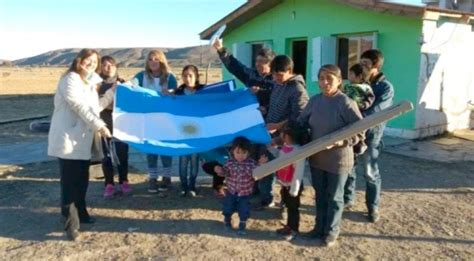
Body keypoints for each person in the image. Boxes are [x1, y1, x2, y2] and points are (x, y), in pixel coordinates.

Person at [48, 48, 115, 241]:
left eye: (95, 62)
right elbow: (79, 107)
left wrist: (111, 93)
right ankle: (70, 225)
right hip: (68, 139)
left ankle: (82, 214)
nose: (91, 64)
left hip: (83, 141)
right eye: (88, 60)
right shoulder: (70, 80)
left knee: (82, 180)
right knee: (70, 183)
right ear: (79, 61)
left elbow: (95, 108)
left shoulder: (89, 84)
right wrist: (101, 126)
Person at [297, 64, 363, 247]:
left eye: (330, 79)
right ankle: (319, 229)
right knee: (320, 195)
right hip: (317, 158)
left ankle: (331, 232)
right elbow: (301, 122)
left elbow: (360, 132)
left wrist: (342, 142)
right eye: (321, 78)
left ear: (339, 81)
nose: (325, 82)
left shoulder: (346, 103)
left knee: (334, 197)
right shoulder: (315, 101)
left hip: (339, 160)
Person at [213, 39, 277, 209]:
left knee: (266, 161)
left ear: (271, 64)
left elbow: (280, 102)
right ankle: (253, 192)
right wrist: (221, 50)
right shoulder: (252, 77)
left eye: (263, 63)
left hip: (269, 129)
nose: (258, 65)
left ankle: (267, 197)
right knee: (252, 159)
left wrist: (266, 107)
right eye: (257, 61)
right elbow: (236, 67)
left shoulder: (277, 81)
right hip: (251, 128)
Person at [130, 50, 178, 194]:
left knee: (165, 148)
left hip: (165, 120)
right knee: (150, 148)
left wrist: (170, 92)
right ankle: (152, 177)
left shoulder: (170, 77)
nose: (153, 61)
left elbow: (176, 92)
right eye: (150, 59)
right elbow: (132, 84)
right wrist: (124, 85)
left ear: (162, 61)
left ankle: (167, 177)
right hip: (148, 119)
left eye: (156, 59)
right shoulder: (141, 76)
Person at [357, 49, 395, 223]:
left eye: (366, 64)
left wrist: (357, 118)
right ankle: (348, 200)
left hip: (371, 135)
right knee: (349, 169)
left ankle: (373, 207)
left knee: (370, 172)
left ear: (376, 66)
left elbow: (376, 111)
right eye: (361, 62)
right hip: (353, 134)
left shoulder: (385, 88)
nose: (362, 66)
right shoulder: (358, 83)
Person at [214, 137, 265, 236]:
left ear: (248, 153)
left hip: (245, 193)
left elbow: (258, 174)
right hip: (231, 191)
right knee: (228, 207)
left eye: (244, 152)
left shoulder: (252, 164)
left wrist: (261, 165)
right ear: (233, 151)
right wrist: (220, 170)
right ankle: (227, 220)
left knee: (244, 209)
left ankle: (242, 225)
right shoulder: (229, 163)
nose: (241, 156)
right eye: (238, 152)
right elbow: (225, 173)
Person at [342, 63, 375, 208]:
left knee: (351, 165)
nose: (348, 77)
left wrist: (356, 106)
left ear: (359, 76)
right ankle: (343, 194)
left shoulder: (367, 90)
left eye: (351, 74)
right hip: (343, 125)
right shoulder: (347, 87)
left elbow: (367, 104)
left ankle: (348, 196)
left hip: (355, 127)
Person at [97, 56, 130, 199]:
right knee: (107, 155)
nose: (108, 67)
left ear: (116, 66)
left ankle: (124, 180)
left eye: (111, 64)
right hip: (104, 123)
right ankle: (109, 183)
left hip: (121, 124)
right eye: (104, 65)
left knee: (122, 153)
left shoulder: (123, 83)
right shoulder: (96, 84)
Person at [175, 65, 204, 197]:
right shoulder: (178, 92)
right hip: (182, 132)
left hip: (197, 132)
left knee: (194, 160)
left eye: (190, 75)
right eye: (185, 75)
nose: (187, 78)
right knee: (183, 160)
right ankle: (183, 185)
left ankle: (192, 185)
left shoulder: (203, 91)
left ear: (196, 77)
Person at [273, 124, 306, 241]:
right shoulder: (285, 148)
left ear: (288, 136)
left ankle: (294, 229)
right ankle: (288, 226)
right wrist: (270, 148)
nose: (281, 135)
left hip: (292, 186)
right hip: (285, 184)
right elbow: (279, 158)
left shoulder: (298, 152)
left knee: (293, 209)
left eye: (283, 133)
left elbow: (299, 172)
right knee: (287, 205)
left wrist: (295, 188)